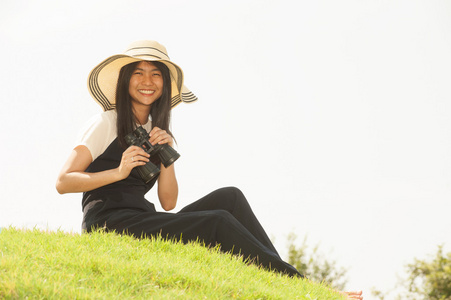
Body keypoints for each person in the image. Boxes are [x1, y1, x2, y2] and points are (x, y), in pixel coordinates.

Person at [56, 40, 362, 299]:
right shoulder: (105, 122)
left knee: (230, 198)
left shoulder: (155, 131)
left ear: (164, 84)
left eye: (156, 74)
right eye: (138, 73)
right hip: (109, 223)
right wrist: (119, 171)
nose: (147, 81)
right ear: (125, 80)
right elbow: (63, 181)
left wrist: (166, 158)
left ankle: (283, 278)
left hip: (143, 218)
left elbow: (169, 203)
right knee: (217, 221)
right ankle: (306, 289)